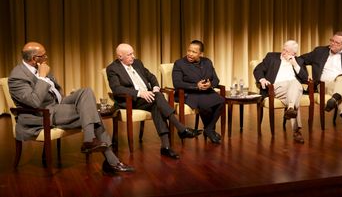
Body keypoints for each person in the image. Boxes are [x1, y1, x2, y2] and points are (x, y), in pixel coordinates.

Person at [8, 42, 134, 174]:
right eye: (43, 56)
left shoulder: (40, 68)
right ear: (34, 59)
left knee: (86, 92)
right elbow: (33, 102)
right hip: (42, 113)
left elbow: (55, 91)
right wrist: (42, 77)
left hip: (58, 104)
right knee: (91, 112)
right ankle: (110, 160)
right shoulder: (17, 76)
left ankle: (89, 141)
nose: (46, 58)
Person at [106, 43, 201, 159]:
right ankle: (181, 128)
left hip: (149, 98)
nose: (133, 56)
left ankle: (165, 147)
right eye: (129, 55)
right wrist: (140, 93)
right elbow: (116, 89)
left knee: (157, 104)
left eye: (133, 53)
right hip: (131, 100)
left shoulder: (137, 63)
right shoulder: (112, 68)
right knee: (157, 98)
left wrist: (155, 87)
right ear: (120, 56)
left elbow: (151, 77)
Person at [301, 31, 342, 138]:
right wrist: (305, 76)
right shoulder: (319, 51)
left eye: (337, 42)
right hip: (323, 85)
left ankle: (334, 99)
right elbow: (300, 59)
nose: (332, 44)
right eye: (332, 40)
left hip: (339, 84)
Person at [253, 40, 308, 143]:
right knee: (295, 86)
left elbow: (305, 78)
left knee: (295, 84)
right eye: (283, 49)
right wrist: (262, 79)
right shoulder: (271, 57)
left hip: (293, 89)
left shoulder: (299, 61)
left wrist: (295, 64)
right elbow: (258, 69)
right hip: (276, 87)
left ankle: (291, 109)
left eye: (287, 51)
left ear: (294, 54)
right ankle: (296, 130)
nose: (283, 52)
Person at [172, 40, 225, 144]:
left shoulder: (207, 62)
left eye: (194, 52)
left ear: (200, 54)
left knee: (221, 101)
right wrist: (196, 86)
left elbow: (216, 80)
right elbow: (177, 83)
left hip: (205, 92)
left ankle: (209, 129)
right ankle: (210, 130)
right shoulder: (179, 63)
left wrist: (210, 85)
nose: (190, 54)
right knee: (206, 105)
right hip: (188, 93)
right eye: (189, 51)